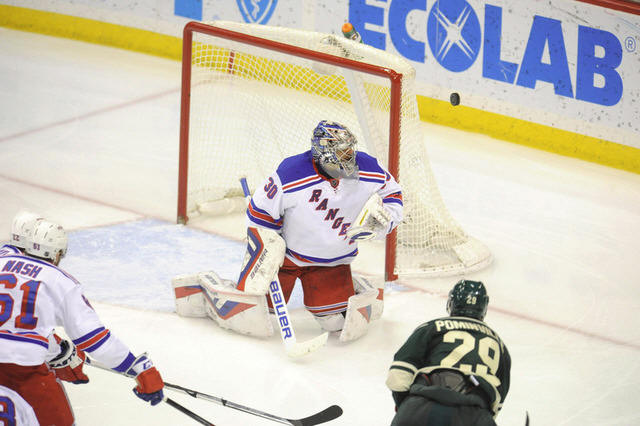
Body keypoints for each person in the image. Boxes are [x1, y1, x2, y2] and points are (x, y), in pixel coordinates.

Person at [172, 120, 403, 341]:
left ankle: (355, 287)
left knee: (336, 323)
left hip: (333, 261)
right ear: (324, 153)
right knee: (253, 317)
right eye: (343, 152)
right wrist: (269, 245)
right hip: (286, 259)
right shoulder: (292, 173)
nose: (350, 156)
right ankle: (208, 290)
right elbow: (260, 213)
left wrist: (386, 219)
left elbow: (393, 194)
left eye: (350, 149)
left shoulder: (369, 167)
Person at [0, 219, 165, 426]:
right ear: (57, 254)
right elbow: (95, 340)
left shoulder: (3, 261)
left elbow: (10, 326)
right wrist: (136, 367)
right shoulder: (60, 281)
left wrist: (57, 350)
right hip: (23, 371)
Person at [386, 280, 511, 426]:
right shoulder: (500, 346)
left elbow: (398, 376)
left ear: (452, 302)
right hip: (475, 415)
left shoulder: (431, 328)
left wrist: (407, 407)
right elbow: (497, 402)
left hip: (422, 405)